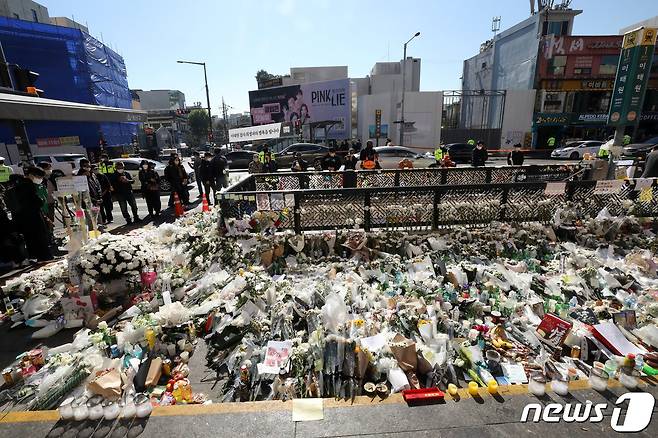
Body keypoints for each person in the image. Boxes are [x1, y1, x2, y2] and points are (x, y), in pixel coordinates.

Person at [10, 167, 52, 261]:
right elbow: (35, 201)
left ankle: (34, 257)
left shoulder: (19, 185)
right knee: (39, 237)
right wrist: (40, 201)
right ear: (31, 175)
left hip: (23, 218)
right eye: (38, 176)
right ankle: (44, 257)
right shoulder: (27, 185)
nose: (40, 179)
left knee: (30, 238)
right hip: (33, 217)